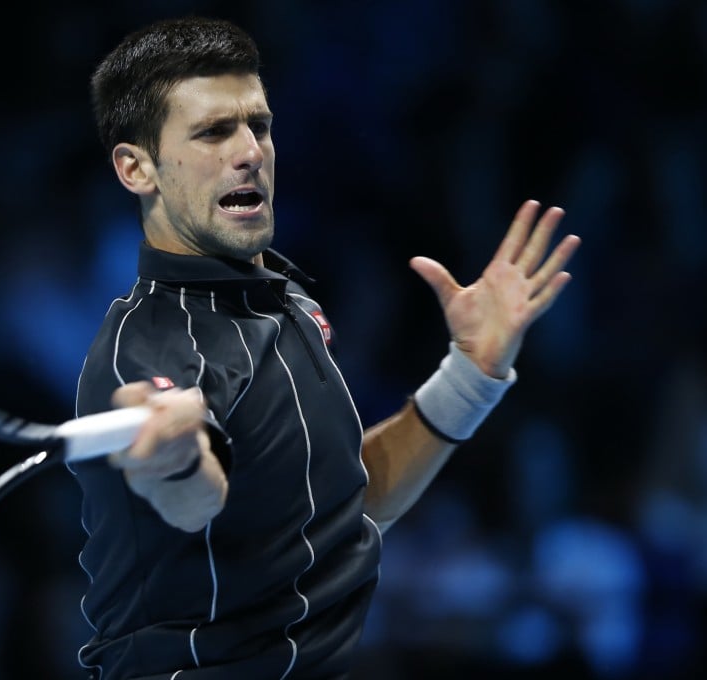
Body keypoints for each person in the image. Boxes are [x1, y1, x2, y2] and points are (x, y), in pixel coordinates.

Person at [69, 15, 581, 680]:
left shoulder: (289, 302)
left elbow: (340, 510)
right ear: (137, 169)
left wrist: (470, 374)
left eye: (258, 124)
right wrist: (174, 462)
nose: (250, 150)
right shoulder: (150, 349)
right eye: (213, 132)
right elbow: (193, 494)